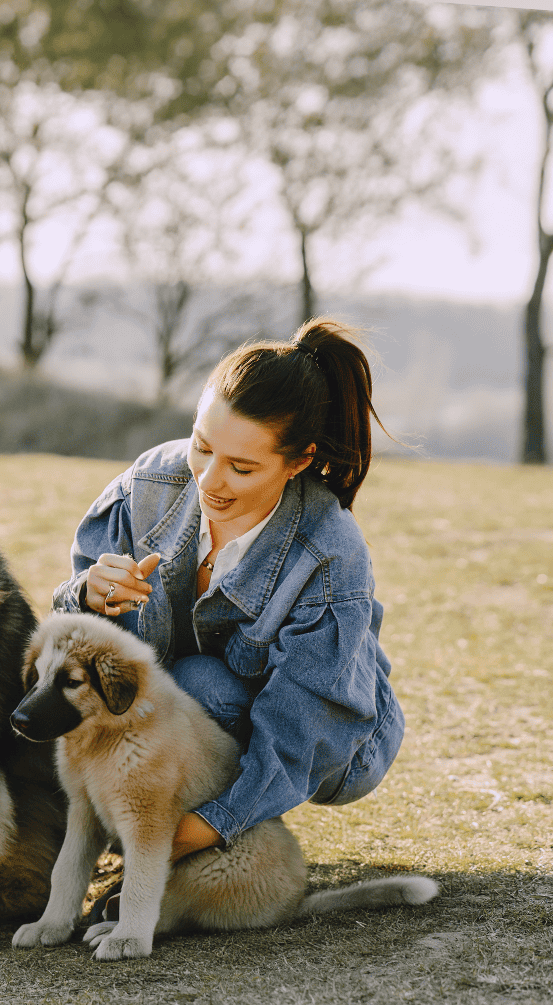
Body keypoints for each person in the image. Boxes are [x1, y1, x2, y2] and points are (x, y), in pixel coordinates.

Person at [52, 317, 404, 900]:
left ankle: (236, 817)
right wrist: (86, 596)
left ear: (297, 461)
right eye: (202, 446)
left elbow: (303, 725)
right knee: (163, 691)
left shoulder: (328, 550)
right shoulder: (148, 486)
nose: (209, 480)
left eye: (242, 467)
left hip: (337, 735)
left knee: (199, 684)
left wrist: (186, 834)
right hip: (195, 702)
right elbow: (77, 640)